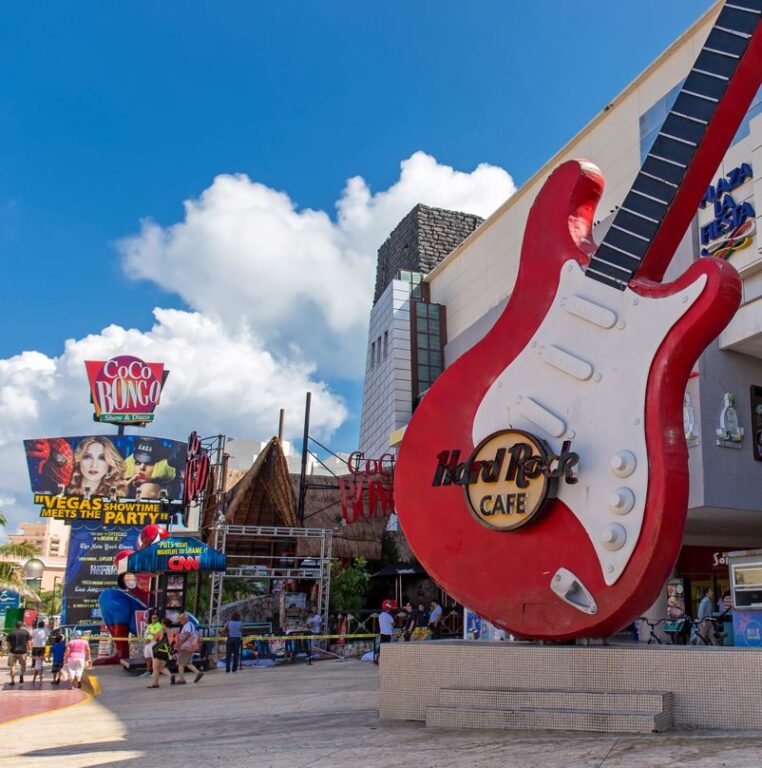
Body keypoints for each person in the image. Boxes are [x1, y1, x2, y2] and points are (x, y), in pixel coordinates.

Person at [175, 613, 204, 684]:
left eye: (181, 619)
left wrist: (180, 643)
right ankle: (198, 673)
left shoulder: (188, 625)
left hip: (186, 647)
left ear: (185, 619)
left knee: (180, 663)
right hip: (189, 646)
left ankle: (182, 679)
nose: (180, 620)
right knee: (188, 663)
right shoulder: (189, 625)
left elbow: (187, 635)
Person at [146, 619, 175, 689]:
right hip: (166, 651)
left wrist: (151, 633)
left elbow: (155, 638)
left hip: (159, 650)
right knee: (161, 667)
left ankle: (155, 684)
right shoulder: (172, 631)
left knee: (155, 668)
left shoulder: (162, 630)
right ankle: (171, 676)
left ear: (163, 624)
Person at [6, 621, 31, 686]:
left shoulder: (12, 632)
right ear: (22, 626)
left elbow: (7, 643)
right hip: (23, 652)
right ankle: (21, 674)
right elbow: (28, 642)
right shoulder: (26, 632)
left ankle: (12, 681)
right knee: (23, 665)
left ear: (15, 626)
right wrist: (29, 650)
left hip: (13, 652)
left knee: (12, 666)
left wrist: (9, 649)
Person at [143, 613, 163, 678]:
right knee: (147, 657)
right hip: (147, 643)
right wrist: (145, 640)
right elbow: (146, 633)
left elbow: (157, 635)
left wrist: (149, 640)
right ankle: (148, 672)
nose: (153, 619)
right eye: (152, 618)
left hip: (153, 643)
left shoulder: (158, 625)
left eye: (155, 618)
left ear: (157, 619)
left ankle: (155, 672)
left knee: (154, 658)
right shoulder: (149, 625)